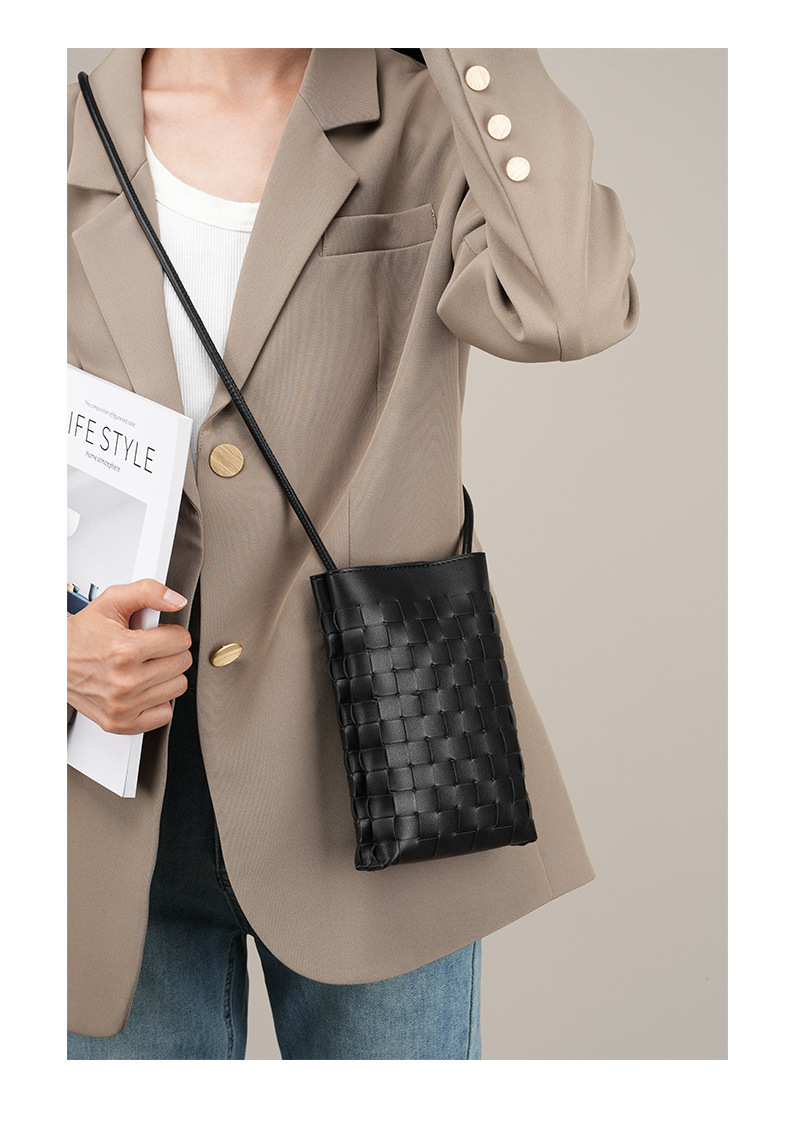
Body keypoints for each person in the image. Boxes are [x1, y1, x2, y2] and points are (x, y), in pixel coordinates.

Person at [66, 47, 639, 1059]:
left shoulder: (433, 118)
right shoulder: (54, 138)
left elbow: (569, 308)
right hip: (109, 788)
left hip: (382, 769)